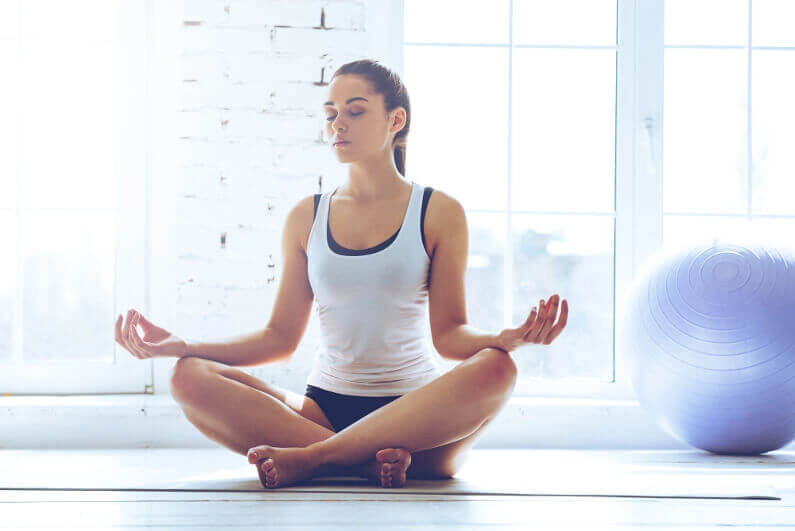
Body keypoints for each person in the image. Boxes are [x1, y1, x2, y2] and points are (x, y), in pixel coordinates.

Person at [114, 58, 568, 490]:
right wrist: (184, 346)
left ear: (396, 121)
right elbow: (279, 337)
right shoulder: (306, 217)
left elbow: (449, 335)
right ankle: (366, 463)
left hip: (418, 419)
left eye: (354, 111)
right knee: (186, 376)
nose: (338, 124)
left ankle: (315, 459)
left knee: (498, 369)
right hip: (322, 411)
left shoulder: (438, 212)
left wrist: (507, 338)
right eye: (331, 113)